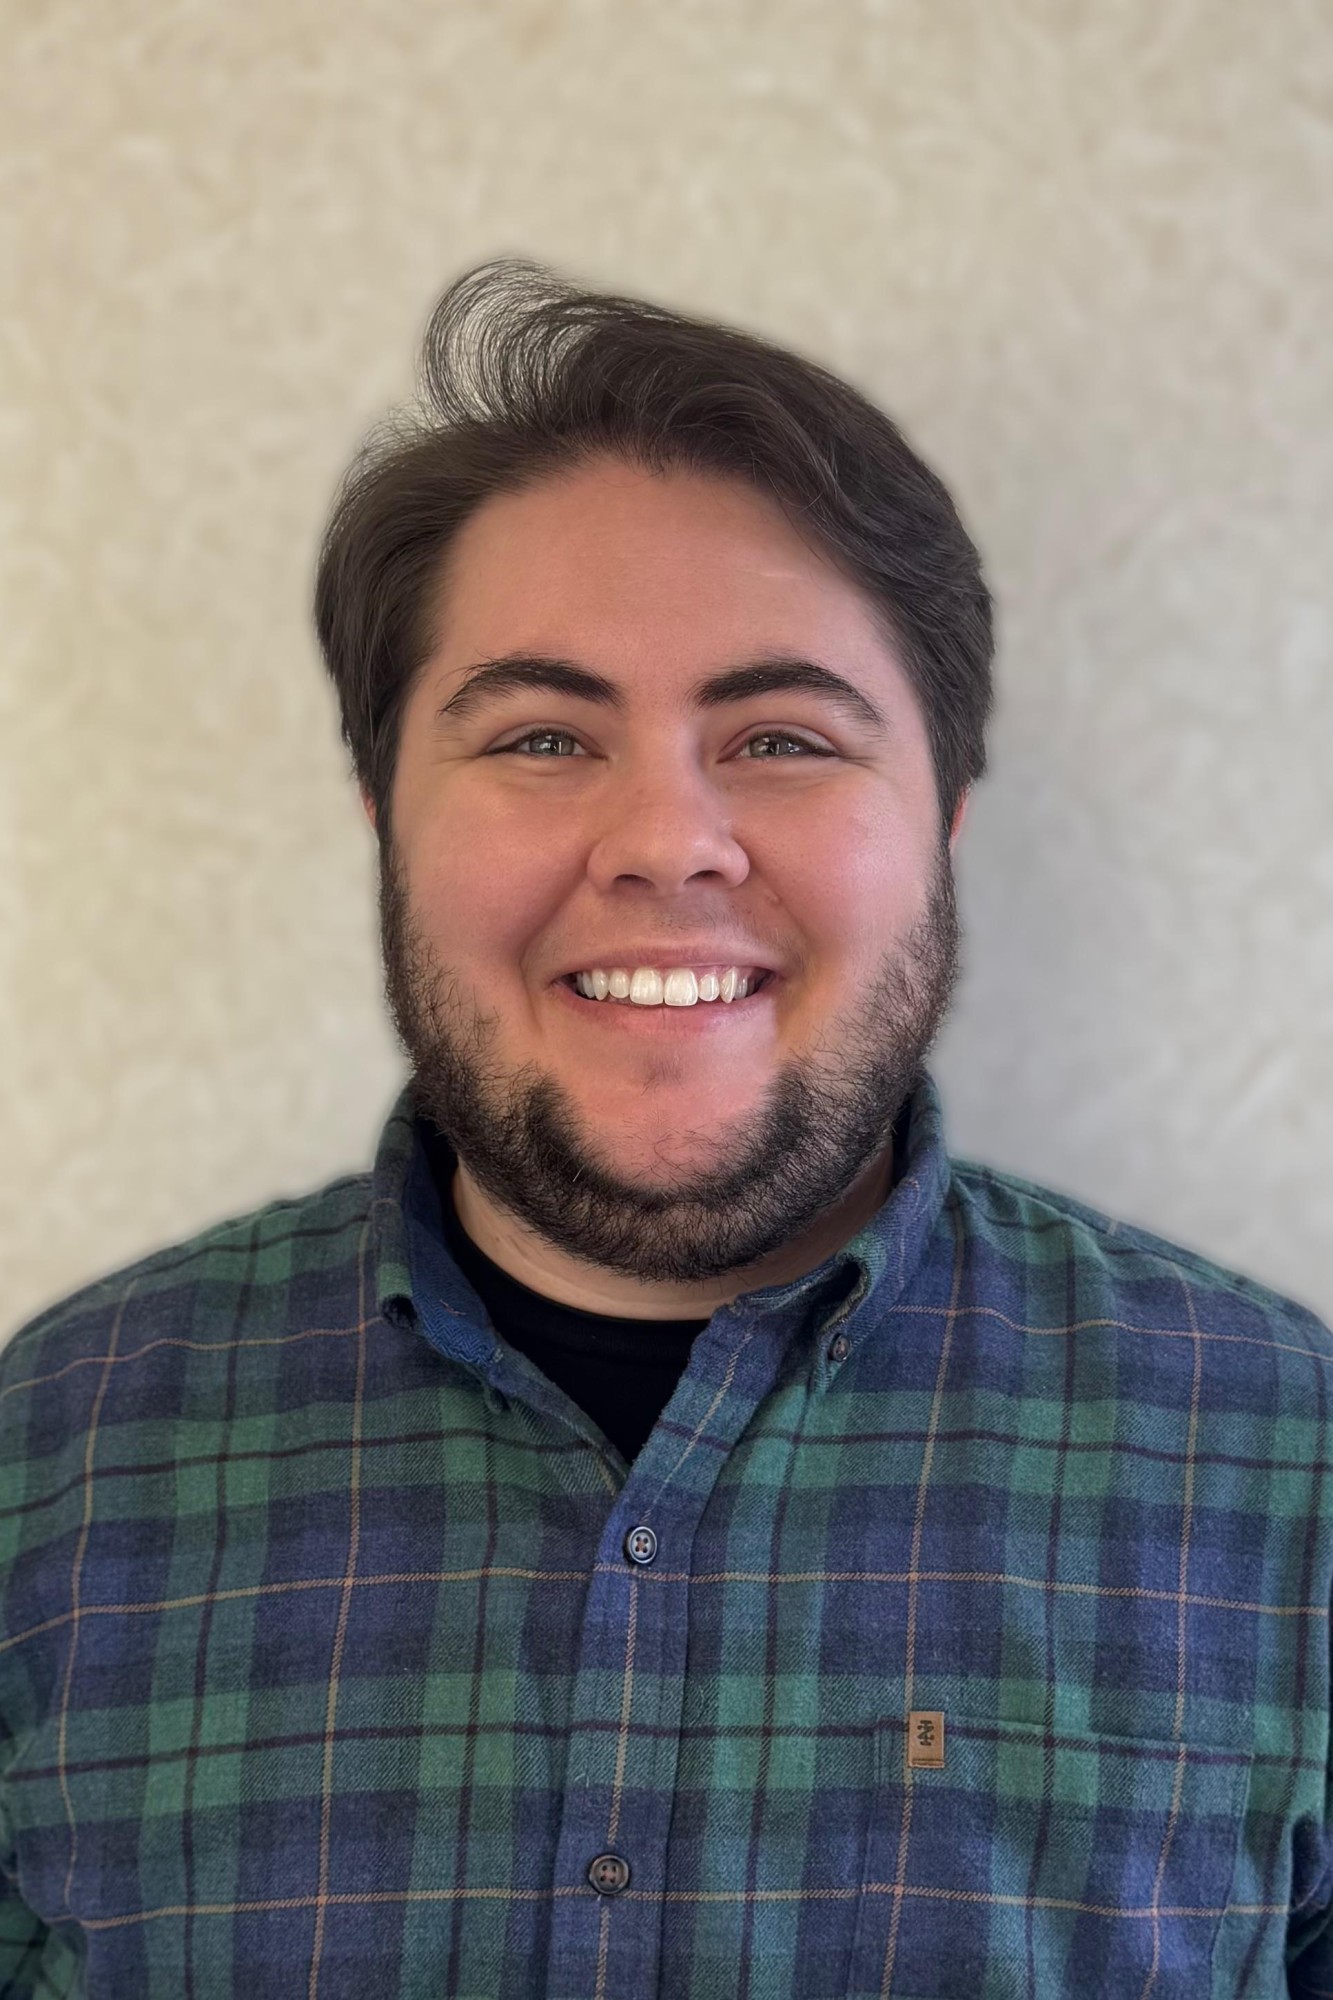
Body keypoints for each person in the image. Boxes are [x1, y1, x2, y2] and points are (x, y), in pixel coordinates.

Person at [1, 260, 1328, 2000]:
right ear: (384, 811)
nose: (664, 842)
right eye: (544, 736)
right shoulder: (56, 1459)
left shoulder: (1288, 1471)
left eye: (778, 736)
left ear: (944, 815)